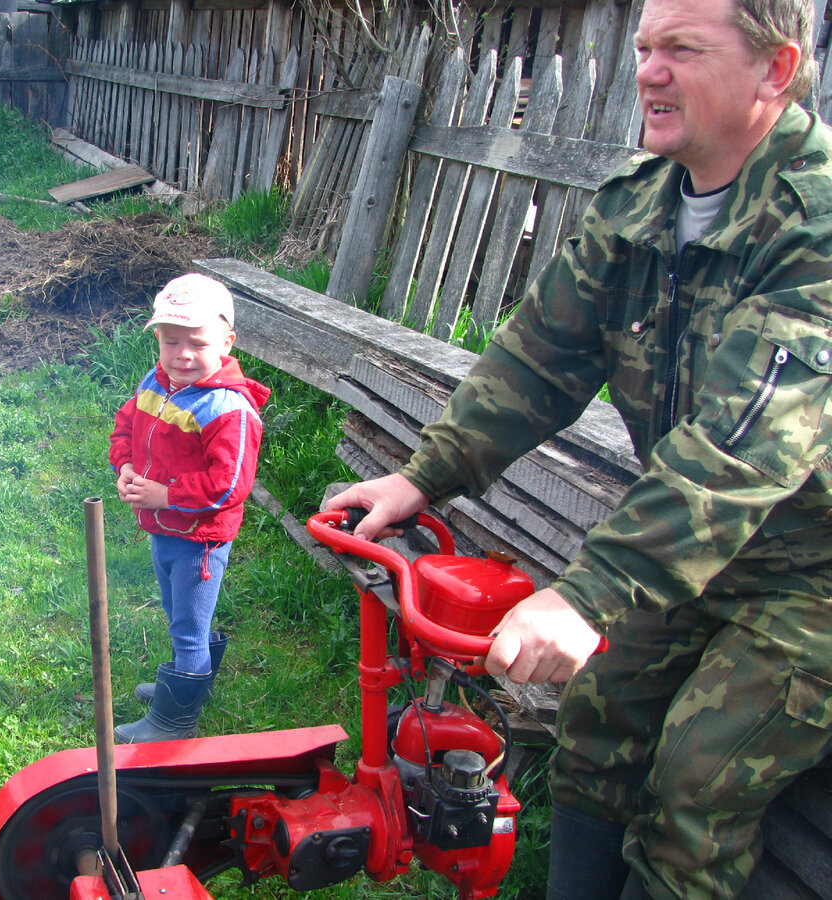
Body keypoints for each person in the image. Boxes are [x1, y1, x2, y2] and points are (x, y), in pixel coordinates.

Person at [329, 1, 832, 897]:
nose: (648, 71)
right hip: (684, 559)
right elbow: (541, 358)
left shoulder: (816, 229)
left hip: (809, 574)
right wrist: (423, 475)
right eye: (644, 48)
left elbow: (740, 447)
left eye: (682, 48)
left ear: (776, 68)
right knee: (592, 724)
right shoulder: (642, 204)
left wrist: (588, 596)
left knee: (695, 784)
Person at [109, 273, 270, 744]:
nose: (181, 354)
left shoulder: (229, 409)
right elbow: (126, 426)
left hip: (199, 538)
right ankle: (188, 682)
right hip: (164, 528)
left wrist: (165, 495)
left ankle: (175, 721)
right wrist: (124, 465)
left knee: (188, 626)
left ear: (226, 342)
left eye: (196, 343)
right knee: (176, 611)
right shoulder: (157, 382)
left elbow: (229, 486)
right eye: (170, 340)